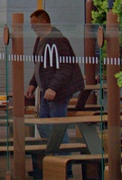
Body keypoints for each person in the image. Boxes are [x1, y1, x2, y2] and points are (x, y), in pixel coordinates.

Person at [26, 9, 84, 143]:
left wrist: (53, 87)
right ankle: (52, 150)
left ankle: (63, 153)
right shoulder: (40, 39)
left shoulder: (58, 40)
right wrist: (33, 83)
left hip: (58, 91)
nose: (32, 28)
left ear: (43, 22)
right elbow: (40, 65)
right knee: (43, 125)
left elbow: (65, 67)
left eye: (34, 25)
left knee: (57, 128)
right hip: (46, 89)